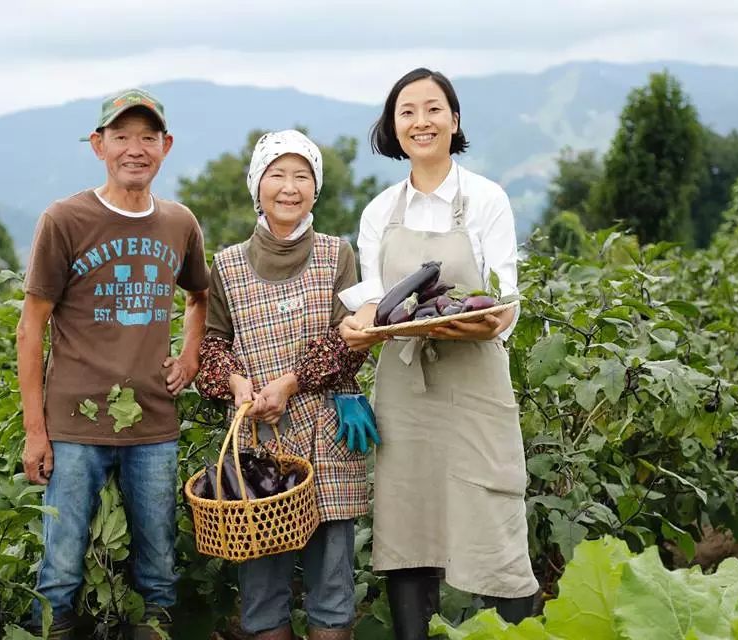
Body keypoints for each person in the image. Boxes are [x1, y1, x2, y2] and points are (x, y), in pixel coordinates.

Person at [338, 68, 539, 638]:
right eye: (407, 111)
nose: (420, 121)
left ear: (454, 120)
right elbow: (378, 303)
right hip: (404, 386)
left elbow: (505, 296)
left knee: (492, 510)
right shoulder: (381, 210)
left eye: (433, 109)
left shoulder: (486, 199)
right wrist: (359, 328)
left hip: (475, 381)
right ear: (392, 126)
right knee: (408, 517)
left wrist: (487, 321)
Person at [16, 87, 210, 640]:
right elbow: (31, 330)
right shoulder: (65, 220)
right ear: (99, 145)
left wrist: (191, 353)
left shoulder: (179, 224)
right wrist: (36, 432)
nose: (135, 149)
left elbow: (200, 296)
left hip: (153, 422)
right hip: (74, 423)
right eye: (121, 137)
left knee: (158, 569)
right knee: (60, 569)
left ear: (166, 146)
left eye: (148, 138)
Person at [195, 130, 369, 640]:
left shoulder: (338, 255)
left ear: (316, 189)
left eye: (302, 176)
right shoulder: (226, 265)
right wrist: (236, 382)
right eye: (277, 175)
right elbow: (211, 345)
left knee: (332, 587)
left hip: (327, 433)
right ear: (257, 186)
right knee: (263, 592)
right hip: (256, 443)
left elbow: (351, 339)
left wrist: (290, 384)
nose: (289, 187)